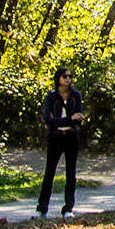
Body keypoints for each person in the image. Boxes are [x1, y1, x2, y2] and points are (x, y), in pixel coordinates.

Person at [37, 67, 85, 217]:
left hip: (71, 136)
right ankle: (42, 208)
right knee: (49, 172)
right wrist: (68, 119)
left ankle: (68, 208)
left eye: (70, 76)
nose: (68, 79)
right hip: (55, 137)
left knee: (71, 173)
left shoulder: (75, 95)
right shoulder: (51, 97)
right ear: (58, 78)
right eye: (65, 76)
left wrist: (65, 121)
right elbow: (49, 120)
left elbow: (79, 118)